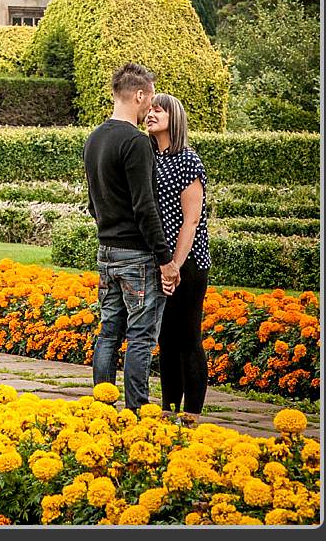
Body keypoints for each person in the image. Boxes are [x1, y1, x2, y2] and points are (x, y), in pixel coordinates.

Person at [84, 61, 171, 408]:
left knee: (108, 331)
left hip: (106, 250)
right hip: (137, 254)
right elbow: (145, 207)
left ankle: (102, 406)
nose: (150, 107)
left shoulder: (95, 138)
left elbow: (93, 203)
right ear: (138, 95)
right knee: (139, 336)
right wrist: (165, 258)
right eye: (149, 99)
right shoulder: (136, 142)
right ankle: (137, 412)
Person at [147, 91, 213, 418]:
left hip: (188, 262)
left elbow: (192, 220)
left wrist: (175, 264)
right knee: (166, 339)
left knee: (188, 337)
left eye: (159, 110)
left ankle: (192, 414)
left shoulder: (188, 159)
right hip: (161, 262)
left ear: (175, 118)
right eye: (150, 109)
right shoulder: (149, 156)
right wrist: (163, 264)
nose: (151, 114)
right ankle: (169, 409)